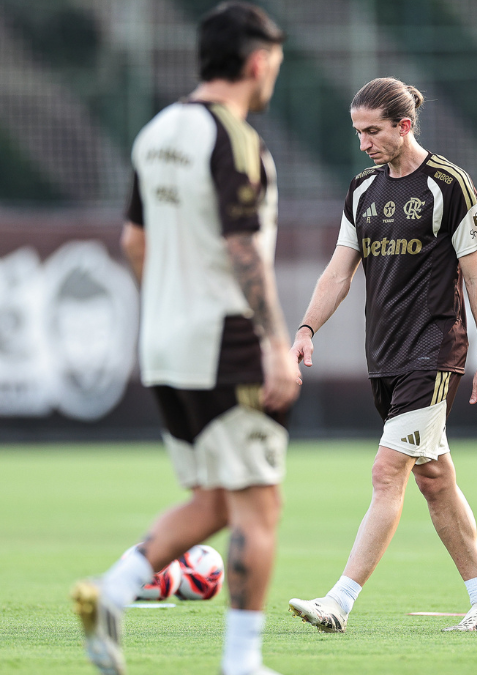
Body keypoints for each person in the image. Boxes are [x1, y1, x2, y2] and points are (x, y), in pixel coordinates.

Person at [70, 4, 298, 674]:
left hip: (165, 344)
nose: (272, 79)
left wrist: (169, 308)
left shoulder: (156, 131)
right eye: (275, 67)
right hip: (225, 343)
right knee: (261, 504)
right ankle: (242, 661)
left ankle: (113, 591)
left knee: (215, 500)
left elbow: (132, 241)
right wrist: (277, 344)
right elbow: (243, 249)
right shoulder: (235, 138)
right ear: (257, 63)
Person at [285, 77, 477, 633]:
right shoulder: (362, 190)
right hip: (383, 355)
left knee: (389, 474)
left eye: (373, 131)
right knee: (435, 478)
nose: (363, 142)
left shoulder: (449, 185)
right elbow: (340, 268)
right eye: (358, 131)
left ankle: (338, 602)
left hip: (433, 353)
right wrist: (308, 326)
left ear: (404, 126)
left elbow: (476, 276)